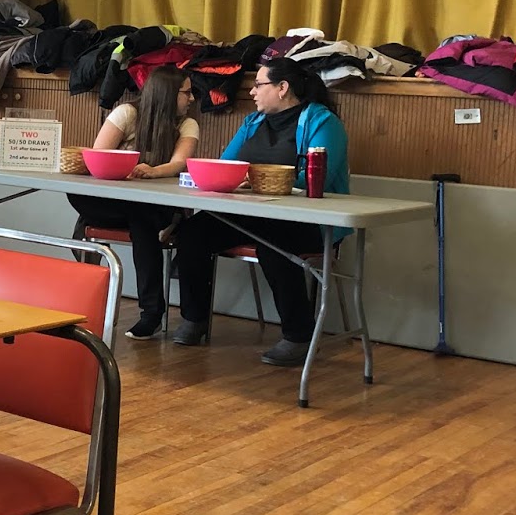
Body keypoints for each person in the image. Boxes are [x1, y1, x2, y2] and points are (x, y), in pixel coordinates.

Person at [170, 56, 351, 367]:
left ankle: (298, 335)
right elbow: (226, 165)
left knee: (273, 245)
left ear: (282, 88)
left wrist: (250, 181)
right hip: (252, 213)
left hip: (308, 221)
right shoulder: (252, 122)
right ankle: (194, 318)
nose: (252, 92)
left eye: (258, 85)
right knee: (192, 232)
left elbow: (314, 179)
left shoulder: (322, 122)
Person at [67, 66, 200, 340]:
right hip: (118, 202)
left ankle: (151, 314)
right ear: (168, 94)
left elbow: (178, 164)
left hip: (154, 206)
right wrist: (122, 168)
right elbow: (98, 156)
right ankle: (108, 308)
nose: (192, 99)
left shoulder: (187, 124)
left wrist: (152, 171)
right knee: (76, 193)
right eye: (186, 92)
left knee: (142, 221)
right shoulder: (127, 113)